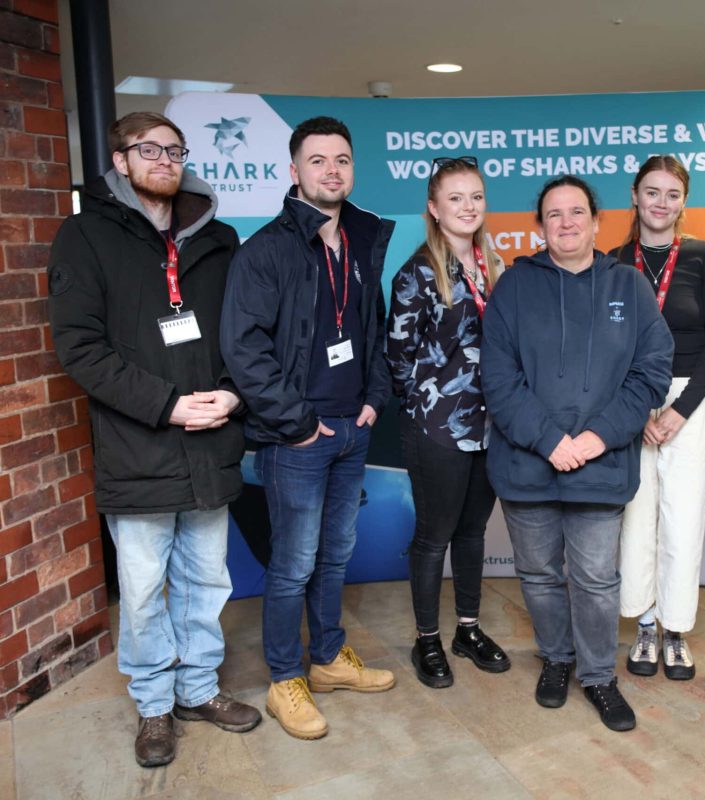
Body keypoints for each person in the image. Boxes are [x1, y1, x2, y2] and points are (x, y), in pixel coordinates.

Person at [47, 111, 261, 767]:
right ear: (120, 160)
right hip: (137, 447)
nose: (163, 159)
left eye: (174, 149)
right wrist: (169, 407)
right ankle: (154, 708)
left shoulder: (220, 239)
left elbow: (247, 333)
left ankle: (198, 690)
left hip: (211, 445)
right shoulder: (84, 238)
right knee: (141, 594)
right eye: (148, 149)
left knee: (206, 584)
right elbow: (79, 349)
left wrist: (233, 391)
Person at [221, 116, 396, 741]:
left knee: (334, 556)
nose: (332, 170)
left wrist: (375, 396)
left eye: (342, 159)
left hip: (353, 428)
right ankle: (284, 678)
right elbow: (243, 350)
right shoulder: (265, 251)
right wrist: (295, 425)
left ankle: (327, 661)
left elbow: (369, 328)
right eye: (317, 160)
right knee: (293, 564)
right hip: (297, 439)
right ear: (293, 172)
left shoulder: (360, 241)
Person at [481, 175, 673, 732]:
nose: (565, 223)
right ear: (539, 227)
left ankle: (597, 675)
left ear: (596, 220)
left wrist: (599, 436)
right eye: (553, 214)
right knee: (539, 574)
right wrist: (549, 441)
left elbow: (651, 370)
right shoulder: (514, 289)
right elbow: (498, 377)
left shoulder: (630, 286)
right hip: (527, 461)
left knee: (594, 578)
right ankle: (557, 659)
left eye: (576, 212)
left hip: (602, 461)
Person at [386, 156, 511, 688]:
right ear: (434, 209)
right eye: (456, 198)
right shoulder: (416, 272)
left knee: (472, 532)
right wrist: (427, 411)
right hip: (438, 430)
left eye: (476, 197)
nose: (468, 207)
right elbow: (397, 356)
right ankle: (427, 641)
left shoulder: (493, 264)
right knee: (433, 536)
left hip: (490, 427)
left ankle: (466, 629)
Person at [608, 156, 705, 682]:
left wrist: (681, 410)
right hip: (632, 397)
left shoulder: (703, 256)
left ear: (684, 201)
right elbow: (607, 347)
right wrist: (636, 410)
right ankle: (647, 623)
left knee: (683, 518)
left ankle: (677, 631)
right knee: (637, 520)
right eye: (651, 192)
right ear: (635, 196)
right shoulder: (613, 262)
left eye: (672, 194)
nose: (661, 203)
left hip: (690, 399)